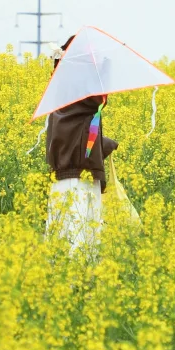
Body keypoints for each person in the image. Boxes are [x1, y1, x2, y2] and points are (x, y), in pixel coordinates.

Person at [44, 38, 119, 252]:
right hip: (78, 181)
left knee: (66, 240)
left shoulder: (65, 101)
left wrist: (103, 146)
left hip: (72, 178)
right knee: (81, 241)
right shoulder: (80, 96)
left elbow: (78, 136)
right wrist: (105, 68)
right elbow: (95, 96)